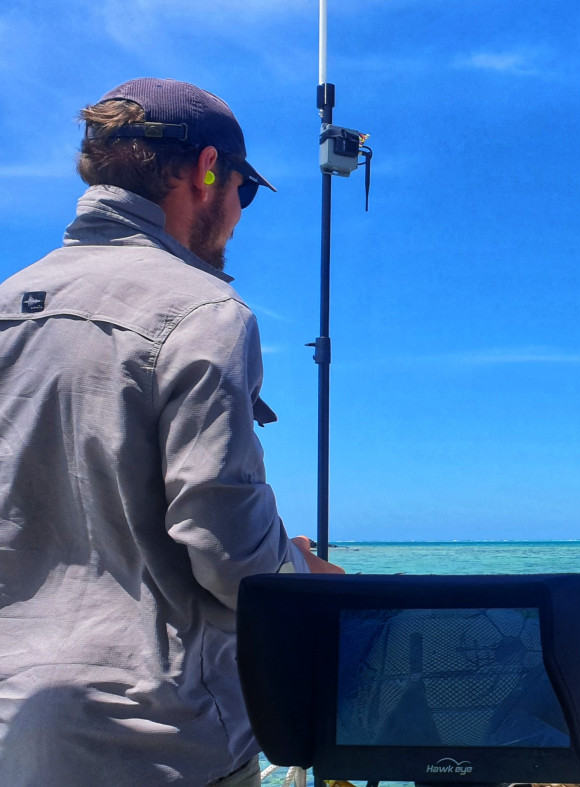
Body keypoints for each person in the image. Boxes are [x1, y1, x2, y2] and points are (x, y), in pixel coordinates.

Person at [0, 78, 342, 786]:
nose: (239, 215)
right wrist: (303, 575)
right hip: (159, 745)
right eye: (242, 191)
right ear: (207, 168)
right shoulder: (204, 312)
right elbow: (225, 551)